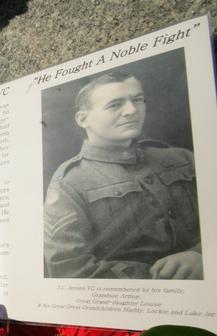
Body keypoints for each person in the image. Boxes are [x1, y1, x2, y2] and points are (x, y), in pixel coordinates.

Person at [44, 72, 202, 279]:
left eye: (137, 100)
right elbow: (69, 269)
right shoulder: (69, 183)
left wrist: (201, 255)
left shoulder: (181, 157)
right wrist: (168, 276)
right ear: (83, 119)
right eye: (115, 105)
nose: (132, 110)